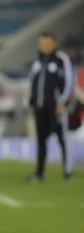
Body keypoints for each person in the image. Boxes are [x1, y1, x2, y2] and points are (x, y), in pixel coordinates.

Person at [27, 32, 74, 182]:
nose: (44, 46)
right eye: (41, 44)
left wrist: (62, 102)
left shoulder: (62, 60)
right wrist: (31, 103)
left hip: (56, 108)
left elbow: (68, 82)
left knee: (62, 139)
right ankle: (39, 173)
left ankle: (67, 172)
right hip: (40, 108)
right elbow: (32, 85)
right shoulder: (38, 62)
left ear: (54, 43)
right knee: (41, 141)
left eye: (46, 43)